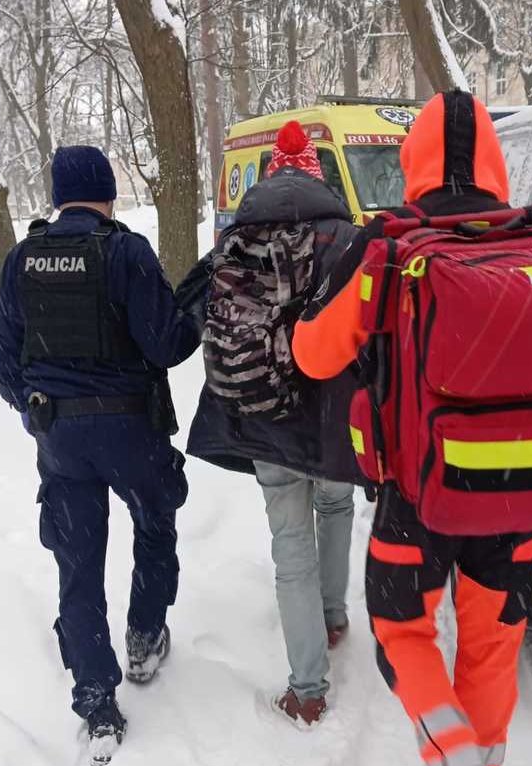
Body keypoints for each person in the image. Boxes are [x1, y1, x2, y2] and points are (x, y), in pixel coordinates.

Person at [293, 91, 532, 766]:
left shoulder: (387, 253)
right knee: (492, 649)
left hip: (418, 502)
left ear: (413, 165)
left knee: (403, 636)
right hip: (518, 502)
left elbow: (314, 357)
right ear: (497, 166)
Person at [0, 145, 199, 764]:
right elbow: (165, 346)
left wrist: (36, 415)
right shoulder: (127, 251)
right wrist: (191, 311)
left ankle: (97, 702)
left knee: (77, 563)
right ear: (105, 193)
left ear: (58, 198)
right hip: (132, 432)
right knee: (156, 523)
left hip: (63, 441)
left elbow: (1, 360)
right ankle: (144, 634)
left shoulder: (23, 260)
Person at [185, 121, 359, 727]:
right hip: (333, 418)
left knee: (290, 549)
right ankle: (333, 617)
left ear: (266, 179)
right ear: (318, 177)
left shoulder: (238, 238)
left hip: (267, 416)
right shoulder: (346, 238)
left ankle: (308, 689)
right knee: (336, 508)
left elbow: (195, 312)